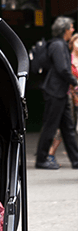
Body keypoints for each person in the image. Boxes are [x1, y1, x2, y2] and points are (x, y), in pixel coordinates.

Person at [36, 16, 78, 170]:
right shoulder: (58, 45)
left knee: (68, 128)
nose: (73, 29)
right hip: (55, 91)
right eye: (71, 27)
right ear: (65, 29)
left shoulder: (60, 45)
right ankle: (41, 159)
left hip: (60, 92)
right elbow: (62, 69)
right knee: (50, 126)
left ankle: (76, 159)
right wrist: (75, 82)